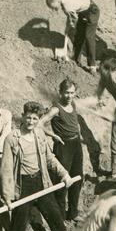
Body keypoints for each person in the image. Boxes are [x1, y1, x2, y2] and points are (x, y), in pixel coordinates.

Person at [0, 101, 74, 231]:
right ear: (23, 116)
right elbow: (6, 169)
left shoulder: (39, 134)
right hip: (22, 185)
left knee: (55, 214)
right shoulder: (12, 138)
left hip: (41, 181)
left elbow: (49, 158)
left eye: (35, 118)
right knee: (18, 225)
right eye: (28, 117)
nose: (31, 121)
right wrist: (8, 196)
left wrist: (64, 174)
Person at [39, 78, 84, 221]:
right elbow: (39, 124)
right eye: (66, 93)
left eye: (72, 93)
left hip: (76, 145)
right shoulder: (56, 109)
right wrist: (53, 135)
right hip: (63, 146)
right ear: (60, 92)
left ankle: (73, 212)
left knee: (77, 177)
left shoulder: (73, 105)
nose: (69, 96)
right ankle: (59, 215)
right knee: (62, 181)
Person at [46, 0, 101, 73]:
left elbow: (73, 21)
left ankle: (92, 65)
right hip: (81, 10)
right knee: (79, 36)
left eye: (54, 7)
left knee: (88, 36)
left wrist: (69, 27)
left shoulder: (68, 6)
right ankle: (76, 60)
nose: (54, 10)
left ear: (58, 1)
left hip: (92, 10)